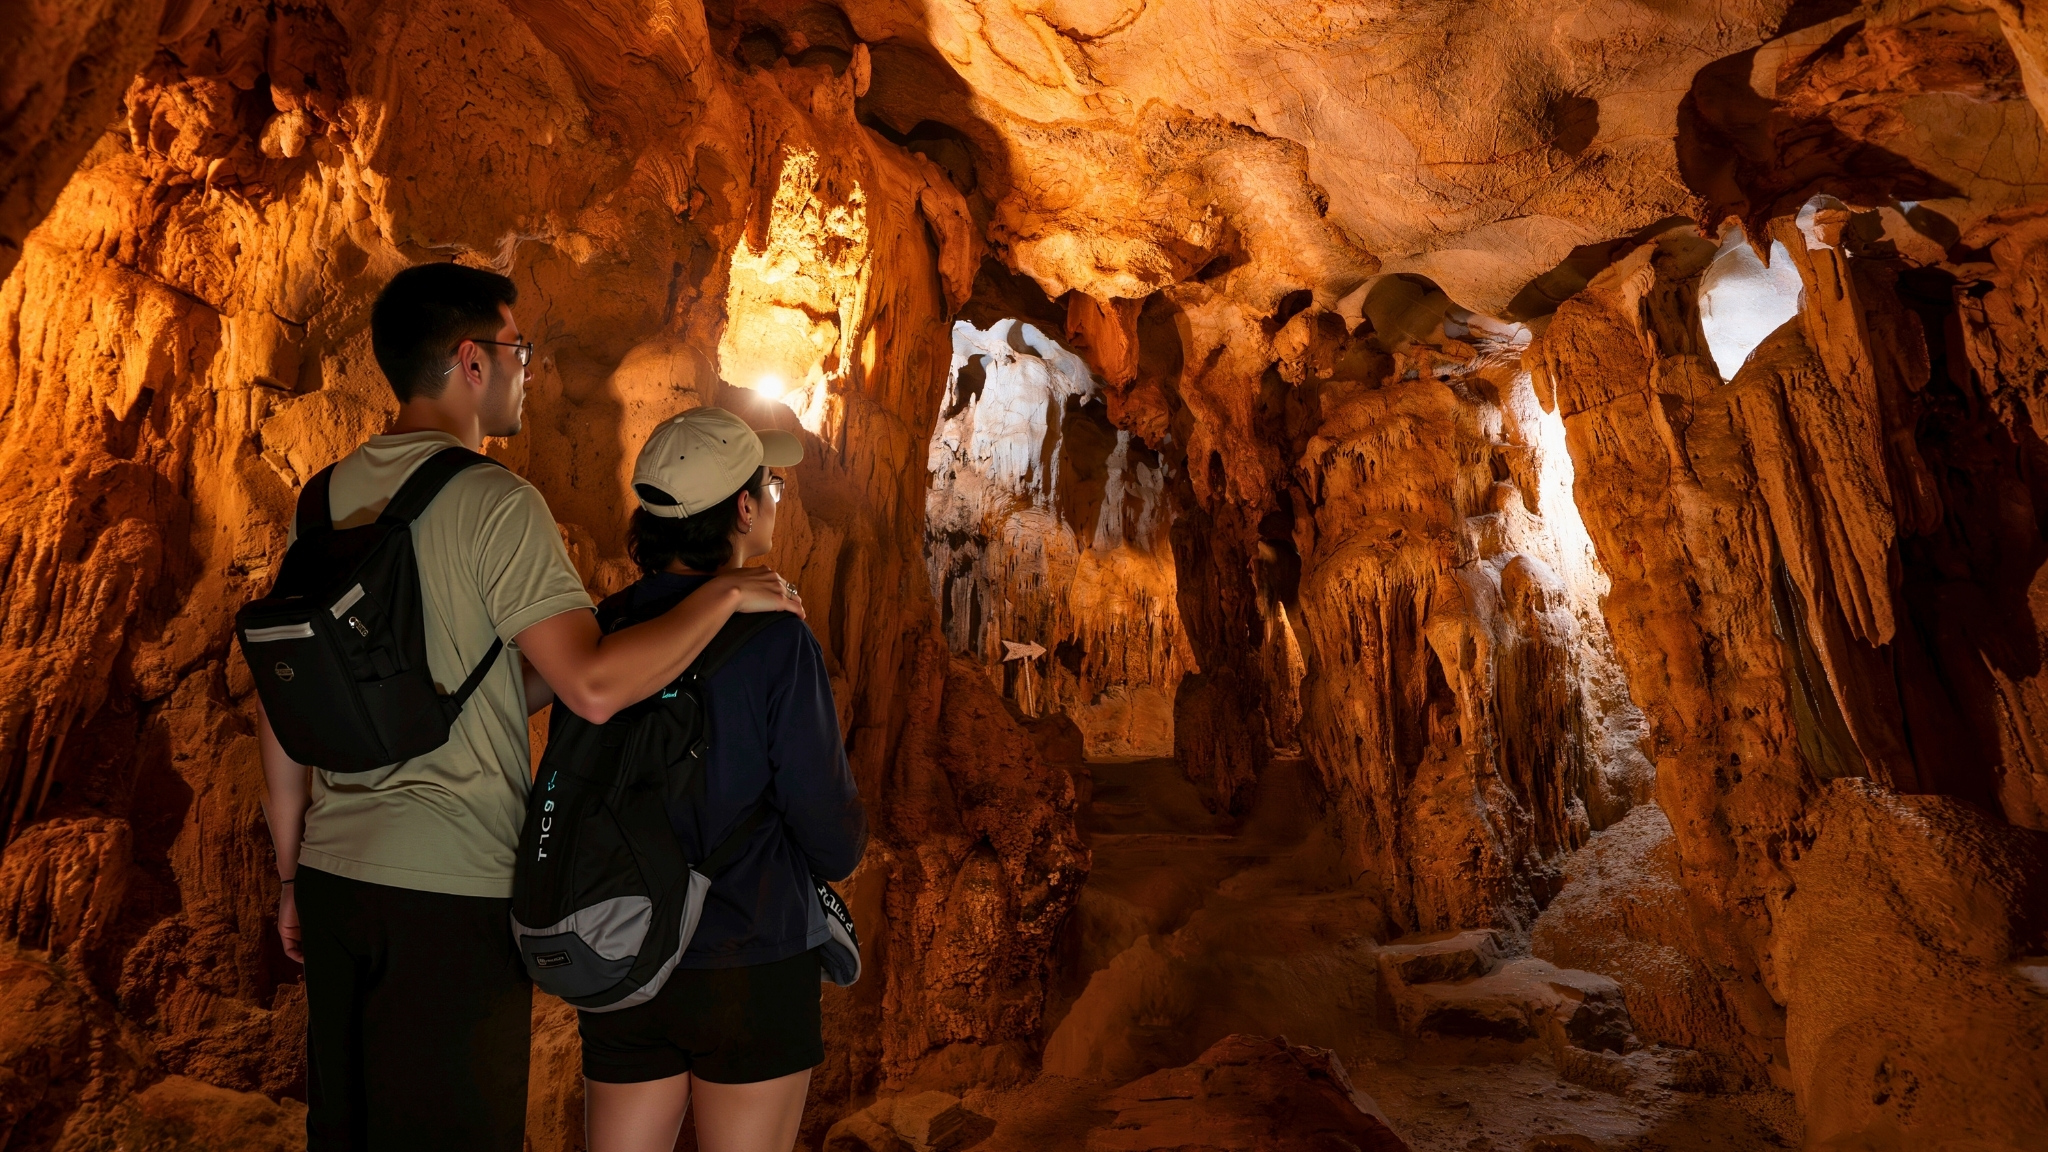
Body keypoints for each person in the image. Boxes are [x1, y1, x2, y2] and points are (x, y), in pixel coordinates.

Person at [253, 264, 805, 1152]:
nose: (528, 370)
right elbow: (590, 684)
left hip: (332, 879)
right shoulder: (495, 503)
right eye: (519, 350)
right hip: (451, 887)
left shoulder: (322, 501)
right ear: (471, 360)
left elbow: (290, 706)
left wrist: (288, 878)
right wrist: (724, 599)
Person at [577, 407, 866, 1152]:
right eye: (768, 484)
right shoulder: (775, 637)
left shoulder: (602, 633)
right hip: (752, 954)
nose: (773, 496)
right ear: (744, 508)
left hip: (623, 954)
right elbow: (832, 839)